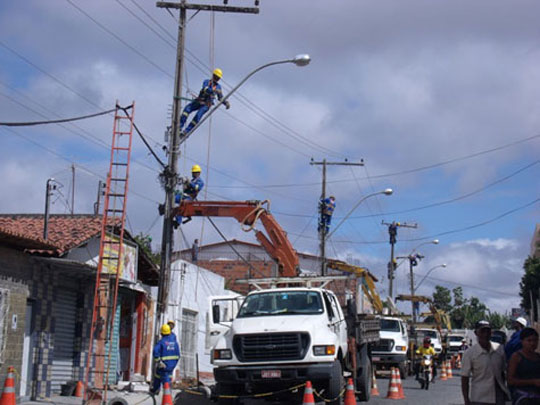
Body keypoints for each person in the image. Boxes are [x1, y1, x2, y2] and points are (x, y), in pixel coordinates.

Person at [461, 320, 510, 405]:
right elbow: (465, 378)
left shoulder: (499, 349)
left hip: (498, 397)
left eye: (488, 331)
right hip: (479, 397)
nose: (485, 334)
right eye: (482, 331)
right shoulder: (470, 353)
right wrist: (466, 400)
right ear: (476, 333)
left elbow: (503, 372)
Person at [179, 68, 230, 136]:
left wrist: (226, 102)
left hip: (206, 105)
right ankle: (179, 127)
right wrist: (213, 91)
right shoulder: (206, 82)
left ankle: (186, 131)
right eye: (215, 76)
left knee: (197, 116)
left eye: (218, 78)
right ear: (213, 75)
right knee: (187, 110)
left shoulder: (218, 87)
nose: (216, 78)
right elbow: (205, 89)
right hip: (199, 101)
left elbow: (220, 98)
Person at [507, 327, 540, 404]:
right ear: (522, 341)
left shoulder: (538, 357)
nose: (532, 343)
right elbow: (510, 381)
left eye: (535, 340)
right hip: (522, 398)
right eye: (529, 340)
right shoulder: (516, 357)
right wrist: (533, 382)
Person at [150, 324, 180, 395]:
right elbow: (178, 355)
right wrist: (173, 364)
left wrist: (158, 361)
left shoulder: (162, 342)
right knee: (168, 377)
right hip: (171, 366)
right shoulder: (175, 342)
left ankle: (157, 390)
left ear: (161, 333)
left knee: (159, 375)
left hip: (164, 365)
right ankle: (167, 393)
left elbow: (155, 351)